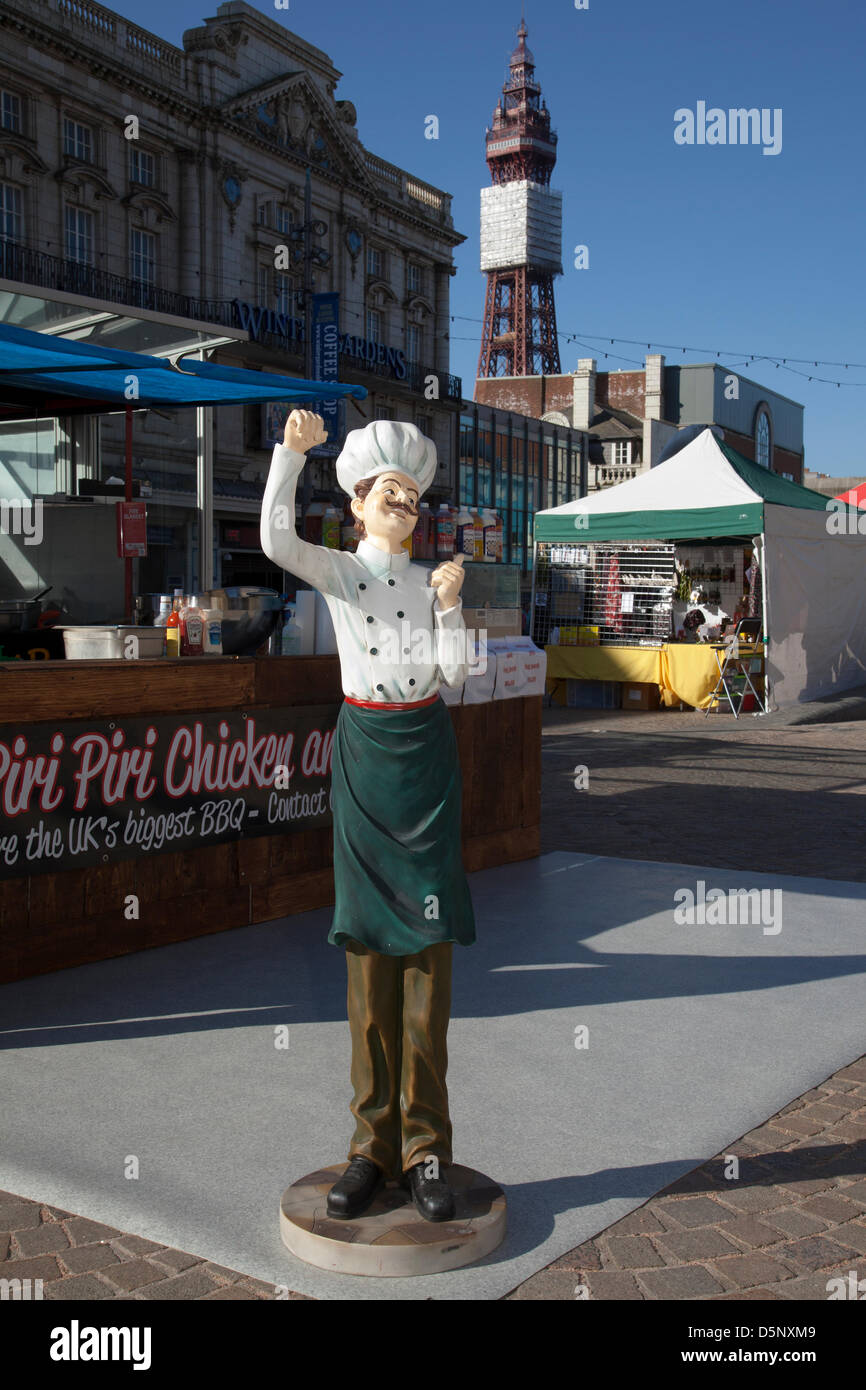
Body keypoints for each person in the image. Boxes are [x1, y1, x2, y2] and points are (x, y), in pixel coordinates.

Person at [260, 410, 476, 1222]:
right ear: (357, 504)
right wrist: (290, 454)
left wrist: (453, 610)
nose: (403, 502)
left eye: (413, 494)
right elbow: (277, 541)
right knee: (366, 956)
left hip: (425, 762)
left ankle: (425, 1150)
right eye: (390, 491)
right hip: (364, 760)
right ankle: (369, 1146)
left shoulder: (432, 585)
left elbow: (455, 677)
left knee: (427, 954)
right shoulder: (344, 574)